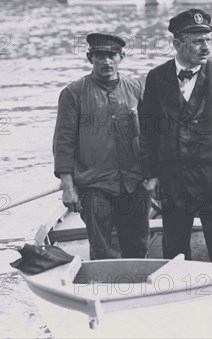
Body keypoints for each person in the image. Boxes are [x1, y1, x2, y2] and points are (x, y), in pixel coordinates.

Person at [140, 9, 212, 264]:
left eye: (208, 40)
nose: (206, 47)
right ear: (178, 43)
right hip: (173, 185)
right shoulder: (156, 78)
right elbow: (147, 132)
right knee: (175, 255)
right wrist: (150, 175)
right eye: (198, 41)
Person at [53, 33, 150, 260]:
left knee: (137, 244)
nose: (106, 61)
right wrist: (67, 185)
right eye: (100, 56)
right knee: (101, 249)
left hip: (134, 182)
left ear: (121, 57)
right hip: (94, 184)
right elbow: (63, 142)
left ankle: (136, 289)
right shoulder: (72, 94)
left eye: (111, 55)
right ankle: (102, 288)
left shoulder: (136, 88)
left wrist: (153, 176)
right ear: (90, 58)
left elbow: (150, 137)